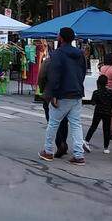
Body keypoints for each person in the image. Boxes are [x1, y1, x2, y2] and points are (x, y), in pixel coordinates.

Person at [38, 27, 87, 165]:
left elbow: (55, 75)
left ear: (61, 38)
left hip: (62, 94)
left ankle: (48, 151)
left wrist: (53, 94)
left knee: (53, 123)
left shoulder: (57, 54)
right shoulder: (80, 54)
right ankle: (78, 154)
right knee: (76, 124)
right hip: (76, 93)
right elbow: (82, 72)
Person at [86, 75, 112, 155]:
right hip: (107, 112)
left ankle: (86, 140)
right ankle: (106, 147)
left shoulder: (96, 92)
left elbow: (92, 103)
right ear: (107, 83)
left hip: (98, 111)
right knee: (106, 129)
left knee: (93, 126)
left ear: (97, 83)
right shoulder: (110, 92)